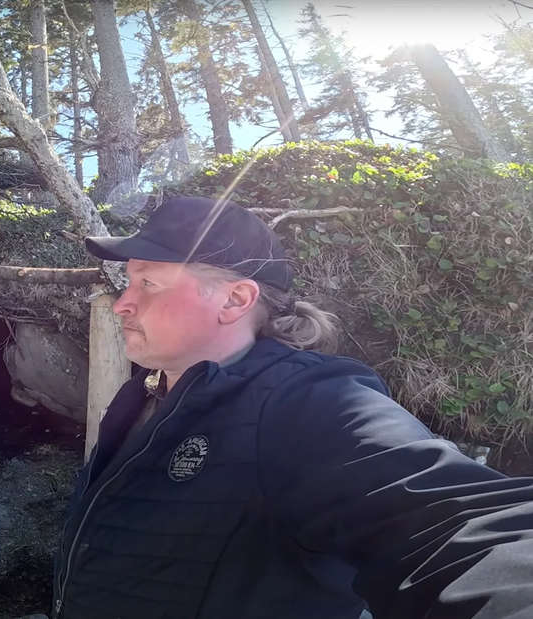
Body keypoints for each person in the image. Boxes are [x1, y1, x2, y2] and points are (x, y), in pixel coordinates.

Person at [52, 195, 533, 619]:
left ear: (235, 299)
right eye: (128, 281)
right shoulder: (138, 395)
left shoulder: (307, 401)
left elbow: (457, 526)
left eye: (149, 284)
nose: (122, 304)